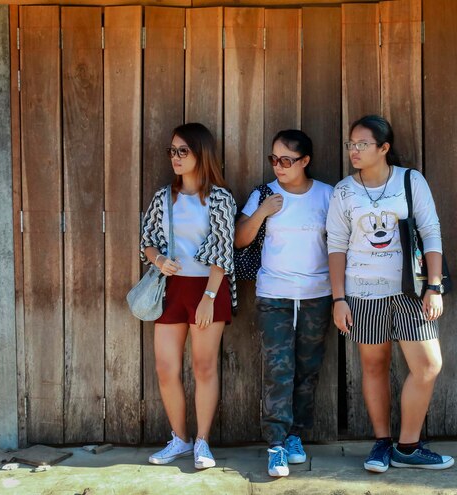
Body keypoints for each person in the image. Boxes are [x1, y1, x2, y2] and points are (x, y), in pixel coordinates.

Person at [326, 115, 454, 471]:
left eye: (362, 144)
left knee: (428, 365)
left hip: (411, 292)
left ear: (383, 148)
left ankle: (408, 447)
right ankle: (382, 443)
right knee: (374, 365)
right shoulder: (344, 191)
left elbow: (431, 232)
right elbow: (336, 245)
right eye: (351, 144)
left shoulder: (410, 181)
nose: (354, 150)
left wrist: (434, 285)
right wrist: (338, 298)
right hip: (363, 292)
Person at [235, 130, 333, 477]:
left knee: (307, 371)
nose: (278, 166)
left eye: (286, 161)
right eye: (273, 159)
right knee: (278, 369)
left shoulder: (327, 195)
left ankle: (295, 436)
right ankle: (275, 444)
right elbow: (240, 238)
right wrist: (262, 211)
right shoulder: (265, 193)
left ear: (305, 161)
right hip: (273, 293)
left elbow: (339, 244)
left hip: (316, 295)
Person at [140, 122, 236, 470]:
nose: (175, 157)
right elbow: (146, 241)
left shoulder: (220, 198)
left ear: (200, 154)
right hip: (171, 289)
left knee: (203, 367)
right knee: (166, 368)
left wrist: (209, 296)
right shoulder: (164, 197)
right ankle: (179, 438)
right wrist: (159, 259)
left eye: (183, 151)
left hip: (208, 288)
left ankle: (202, 442)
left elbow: (224, 250)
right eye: (172, 151)